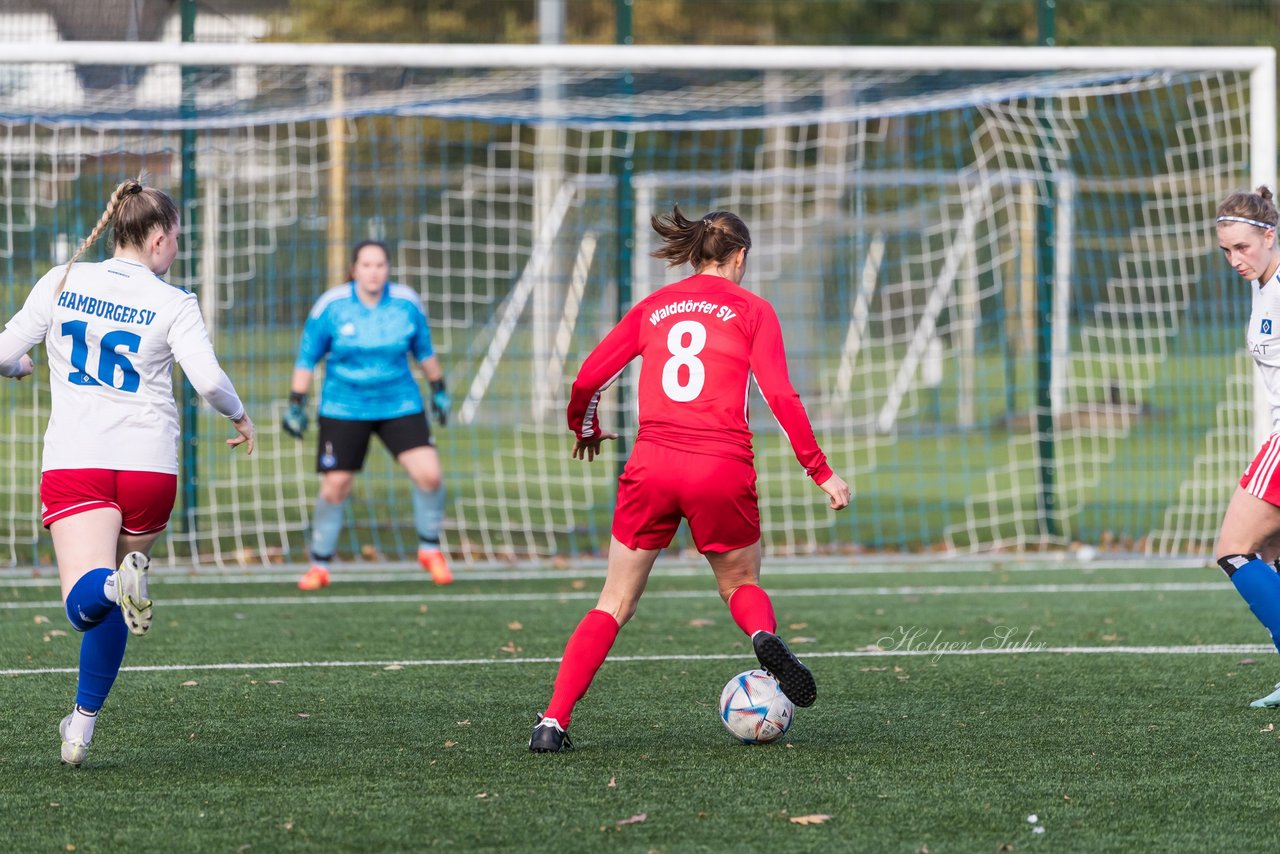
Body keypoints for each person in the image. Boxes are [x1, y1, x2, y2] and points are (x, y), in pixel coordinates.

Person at [529, 205, 851, 752]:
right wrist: (819, 470)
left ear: (696, 251)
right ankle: (762, 638)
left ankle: (552, 722)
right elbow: (780, 396)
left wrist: (584, 428)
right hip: (720, 467)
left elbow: (587, 378)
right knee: (740, 584)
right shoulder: (754, 310)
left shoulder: (654, 307)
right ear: (740, 256)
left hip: (651, 464)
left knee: (614, 601)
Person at [0, 177, 255, 766]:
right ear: (158, 238)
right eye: (176, 240)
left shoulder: (63, 279)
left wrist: (17, 367)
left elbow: (4, 349)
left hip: (78, 462)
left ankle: (117, 584)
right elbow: (211, 383)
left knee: (86, 599)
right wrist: (240, 417)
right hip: (149, 468)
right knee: (113, 592)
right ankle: (81, 729)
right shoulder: (174, 300)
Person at [282, 239, 453, 589]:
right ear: (354, 269)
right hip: (344, 407)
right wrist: (296, 402)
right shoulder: (332, 305)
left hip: (399, 404)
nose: (373, 272)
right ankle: (320, 564)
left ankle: (430, 549)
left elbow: (424, 350)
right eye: (366, 265)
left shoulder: (406, 303)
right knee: (335, 487)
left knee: (430, 476)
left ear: (388, 269)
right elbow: (307, 356)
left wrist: (439, 389)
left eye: (380, 265)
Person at [1214, 186, 1280, 708]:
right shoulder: (1262, 286)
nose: (1236, 259)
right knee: (1274, 558)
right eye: (1227, 251)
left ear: (1269, 236)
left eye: (1243, 247)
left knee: (1233, 549)